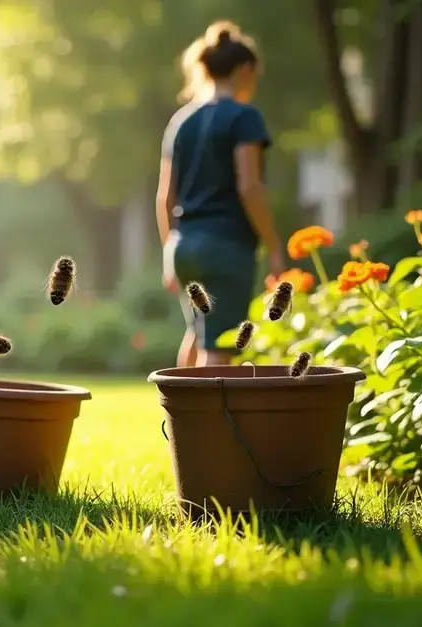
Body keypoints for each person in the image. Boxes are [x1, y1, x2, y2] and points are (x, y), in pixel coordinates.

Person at [156, 20, 285, 368]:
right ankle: (207, 424)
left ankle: (179, 418)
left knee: (197, 336)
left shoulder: (181, 121)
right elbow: (249, 186)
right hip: (225, 247)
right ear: (245, 69)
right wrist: (273, 245)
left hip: (184, 244)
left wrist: (170, 247)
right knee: (219, 345)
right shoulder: (244, 118)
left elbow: (165, 197)